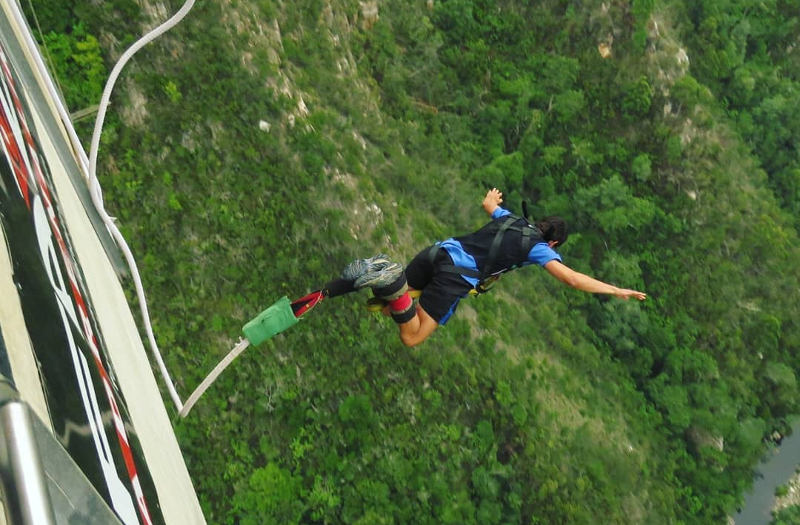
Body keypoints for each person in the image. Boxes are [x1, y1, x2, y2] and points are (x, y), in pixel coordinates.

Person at [335, 188, 647, 347]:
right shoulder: (538, 248)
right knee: (412, 337)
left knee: (394, 309)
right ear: (553, 245)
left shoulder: (511, 218)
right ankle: (389, 278)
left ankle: (381, 271)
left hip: (438, 251)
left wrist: (493, 196)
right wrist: (616, 290)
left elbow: (489, 205)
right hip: (454, 276)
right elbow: (573, 280)